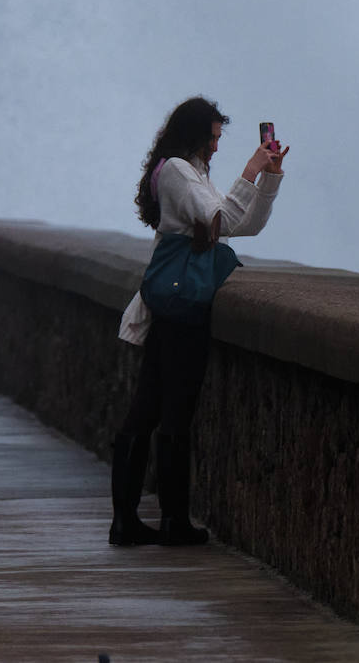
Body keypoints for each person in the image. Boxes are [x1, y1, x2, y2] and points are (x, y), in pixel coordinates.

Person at [110, 95, 288, 546]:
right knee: (168, 411)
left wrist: (269, 180)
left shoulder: (192, 171)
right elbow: (221, 219)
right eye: (211, 139)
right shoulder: (175, 171)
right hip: (182, 304)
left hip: (176, 301)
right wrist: (249, 171)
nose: (215, 148)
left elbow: (243, 226)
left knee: (150, 409)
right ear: (193, 135)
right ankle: (167, 520)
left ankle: (133, 520)